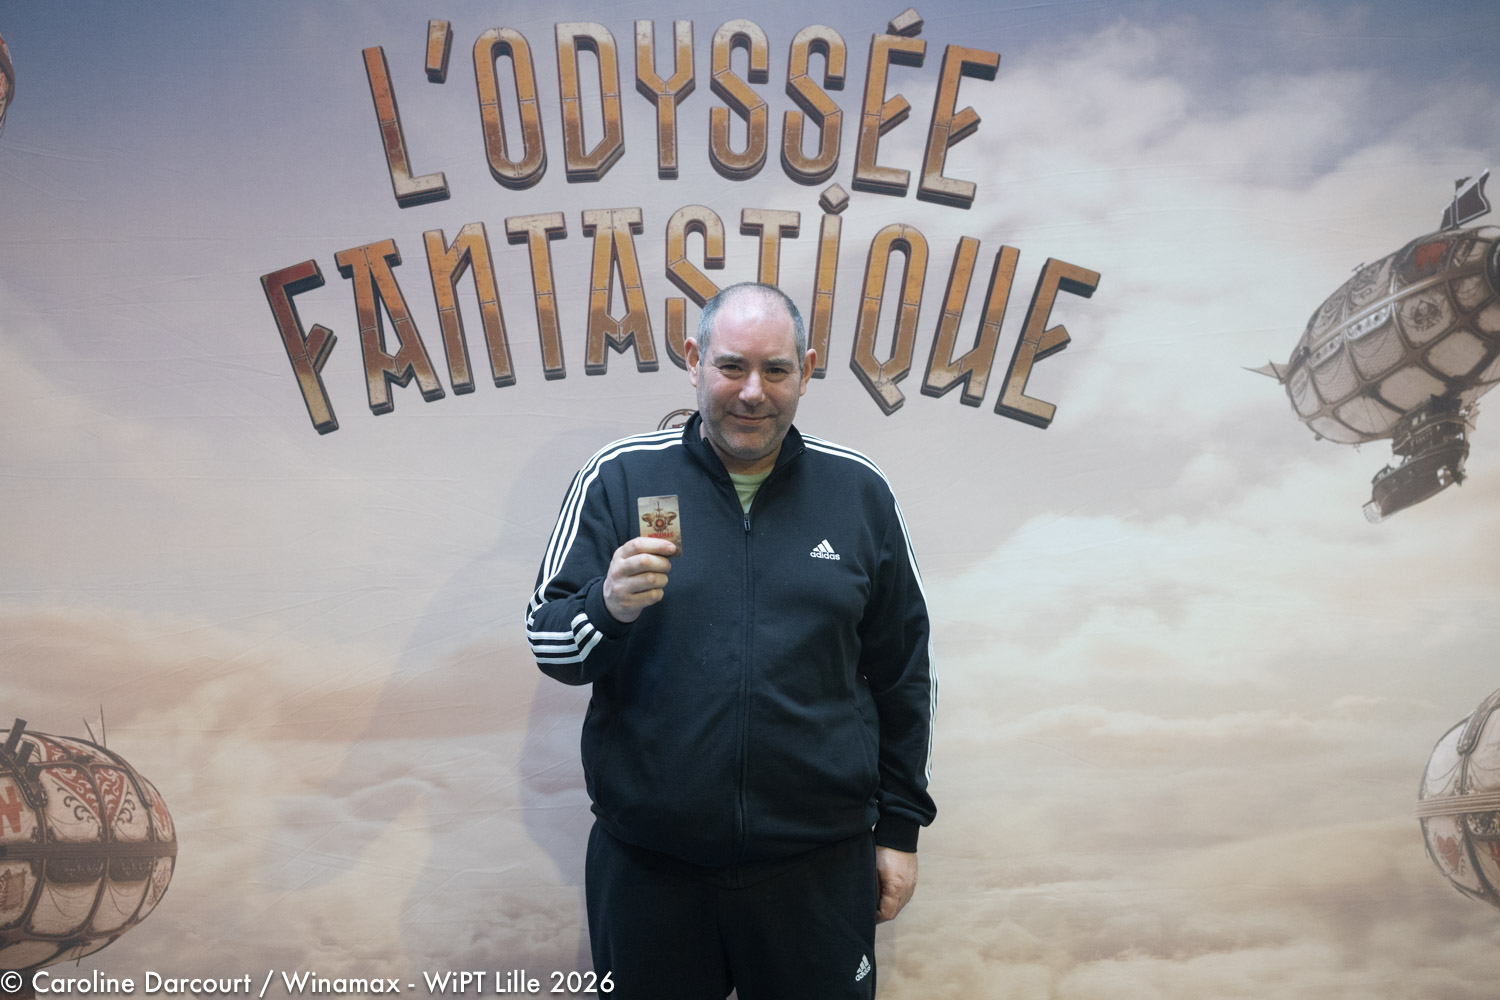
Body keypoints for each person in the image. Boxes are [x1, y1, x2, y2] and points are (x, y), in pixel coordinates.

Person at [526, 282, 935, 999]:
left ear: (806, 371)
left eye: (775, 370)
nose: (752, 392)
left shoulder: (858, 491)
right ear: (694, 360)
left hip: (818, 866)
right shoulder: (621, 476)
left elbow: (904, 673)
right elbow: (549, 642)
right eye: (731, 367)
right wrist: (607, 607)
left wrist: (899, 830)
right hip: (650, 870)